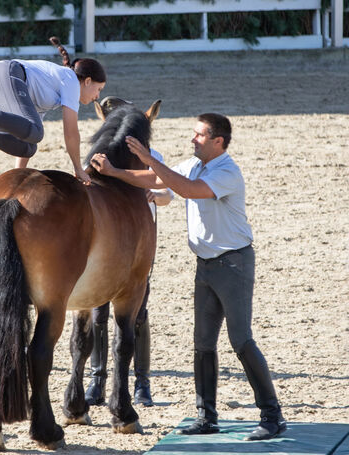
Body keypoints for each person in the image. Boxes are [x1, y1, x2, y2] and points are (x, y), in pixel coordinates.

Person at [90, 113, 287, 441]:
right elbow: (154, 180)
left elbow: (186, 189)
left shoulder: (226, 172)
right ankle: (206, 416)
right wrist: (114, 172)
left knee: (241, 341)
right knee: (202, 345)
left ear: (218, 141)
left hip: (234, 266)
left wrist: (149, 158)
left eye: (199, 135)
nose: (192, 139)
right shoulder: (194, 164)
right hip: (206, 265)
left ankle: (272, 414)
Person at [85, 148, 173, 408]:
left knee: (138, 315)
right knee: (97, 313)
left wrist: (155, 196)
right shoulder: (99, 153)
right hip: (107, 244)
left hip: (138, 246)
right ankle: (97, 380)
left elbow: (169, 194)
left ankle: (142, 383)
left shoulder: (153, 156)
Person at [0, 36, 106, 185]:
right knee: (37, 133)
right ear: (87, 81)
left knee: (29, 146)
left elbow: (27, 132)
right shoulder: (71, 81)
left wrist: (18, 176)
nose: (98, 96)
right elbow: (71, 133)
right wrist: (78, 168)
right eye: (99, 89)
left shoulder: (50, 90)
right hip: (1, 76)